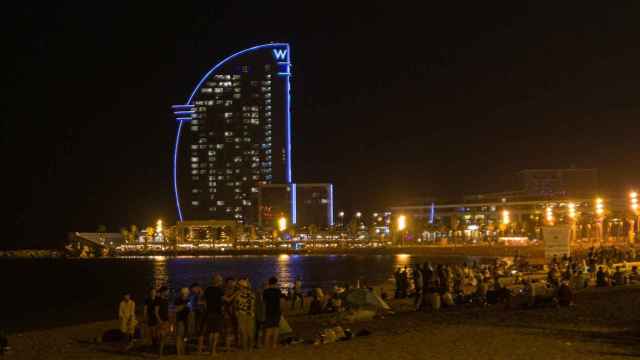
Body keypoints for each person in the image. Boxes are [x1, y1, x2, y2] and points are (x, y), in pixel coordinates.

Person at [199, 275, 225, 356]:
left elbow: (202, 300)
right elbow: (226, 300)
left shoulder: (207, 289)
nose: (221, 282)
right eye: (221, 280)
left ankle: (210, 351)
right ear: (217, 281)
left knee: (210, 332)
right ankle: (213, 351)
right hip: (217, 312)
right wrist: (235, 294)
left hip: (209, 313)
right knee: (216, 333)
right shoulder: (220, 290)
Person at [235, 279, 256, 351]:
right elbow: (252, 304)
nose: (239, 287)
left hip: (243, 314)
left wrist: (237, 312)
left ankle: (246, 347)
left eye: (240, 286)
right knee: (248, 332)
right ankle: (248, 347)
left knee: (244, 332)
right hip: (248, 314)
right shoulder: (251, 294)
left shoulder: (238, 294)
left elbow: (236, 304)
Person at [263, 277, 281, 349]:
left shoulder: (266, 291)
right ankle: (274, 345)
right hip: (277, 311)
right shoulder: (278, 291)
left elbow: (264, 301)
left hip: (269, 311)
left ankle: (266, 345)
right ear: (275, 283)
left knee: (268, 329)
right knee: (276, 328)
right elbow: (280, 301)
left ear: (269, 283)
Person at [223, 277, 238, 351]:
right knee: (228, 330)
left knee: (236, 329)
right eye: (230, 282)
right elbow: (228, 300)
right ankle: (228, 347)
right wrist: (235, 294)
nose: (231, 284)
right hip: (227, 313)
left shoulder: (235, 290)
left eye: (232, 282)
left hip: (235, 313)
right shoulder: (225, 291)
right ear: (226, 283)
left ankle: (235, 345)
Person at [174, 287, 191, 357]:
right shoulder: (178, 300)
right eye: (186, 293)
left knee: (185, 336)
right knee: (179, 336)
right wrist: (184, 305)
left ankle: (183, 351)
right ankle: (178, 353)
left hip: (186, 320)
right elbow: (176, 309)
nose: (187, 294)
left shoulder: (188, 300)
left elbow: (189, 310)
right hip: (180, 320)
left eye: (187, 293)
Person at [154, 286, 170, 357]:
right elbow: (156, 311)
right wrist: (159, 320)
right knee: (160, 337)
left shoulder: (166, 300)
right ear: (163, 291)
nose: (168, 292)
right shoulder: (158, 300)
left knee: (163, 337)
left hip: (166, 320)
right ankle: (159, 353)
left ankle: (160, 353)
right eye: (167, 291)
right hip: (161, 320)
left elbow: (166, 311)